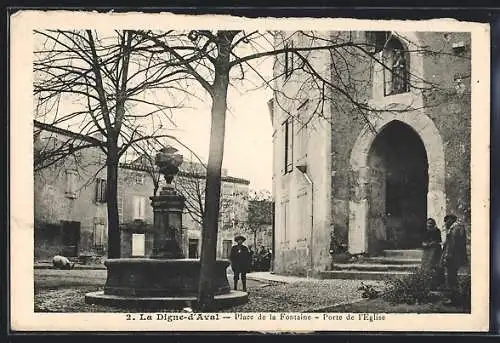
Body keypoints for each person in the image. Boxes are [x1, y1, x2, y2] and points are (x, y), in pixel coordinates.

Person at [440, 214, 468, 304]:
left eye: (446, 221)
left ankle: (454, 299)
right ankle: (455, 298)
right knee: (452, 277)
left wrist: (447, 257)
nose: (445, 223)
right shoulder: (457, 228)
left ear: (451, 220)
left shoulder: (455, 229)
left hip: (453, 258)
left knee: (451, 278)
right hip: (455, 257)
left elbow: (452, 245)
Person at [420, 218, 443, 289]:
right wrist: (425, 244)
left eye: (431, 223)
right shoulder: (425, 231)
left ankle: (435, 285)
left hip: (435, 252)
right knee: (425, 267)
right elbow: (423, 241)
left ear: (434, 224)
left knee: (434, 268)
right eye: (428, 223)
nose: (429, 224)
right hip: (427, 252)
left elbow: (439, 241)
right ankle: (426, 284)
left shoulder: (437, 231)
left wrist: (433, 243)